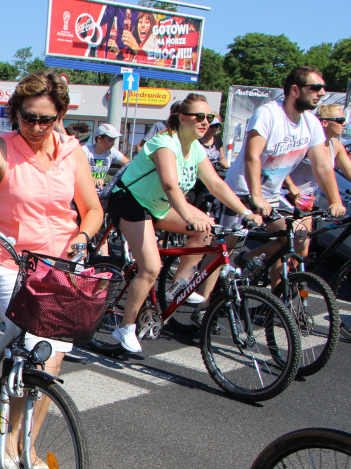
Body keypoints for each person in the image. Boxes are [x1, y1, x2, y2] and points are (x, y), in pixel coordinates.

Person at [0, 70, 102, 469]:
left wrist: (84, 235)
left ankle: (23, 441)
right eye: (26, 117)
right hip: (14, 262)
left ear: (60, 115)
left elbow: (93, 208)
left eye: (44, 119)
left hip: (64, 266)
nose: (33, 127)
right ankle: (8, 439)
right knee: (34, 348)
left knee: (51, 362)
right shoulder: (1, 149)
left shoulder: (72, 152)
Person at [107, 93, 262, 353]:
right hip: (131, 202)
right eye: (198, 117)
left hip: (157, 204)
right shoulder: (164, 143)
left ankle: (178, 287)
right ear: (181, 118)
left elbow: (215, 184)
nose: (205, 122)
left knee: (207, 231)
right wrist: (189, 217)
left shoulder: (196, 148)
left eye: (209, 117)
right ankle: (125, 327)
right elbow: (169, 185)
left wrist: (245, 211)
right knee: (151, 268)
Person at [222, 66, 346, 281]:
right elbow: (252, 156)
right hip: (241, 190)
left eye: (323, 88)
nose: (322, 93)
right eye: (315, 88)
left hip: (272, 196)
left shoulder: (311, 123)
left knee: (299, 237)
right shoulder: (269, 113)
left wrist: (336, 200)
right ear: (295, 90)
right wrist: (256, 197)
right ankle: (201, 300)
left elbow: (323, 166)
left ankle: (277, 302)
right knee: (226, 246)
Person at [284, 103, 351, 211]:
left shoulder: (337, 146)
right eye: (340, 120)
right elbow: (278, 166)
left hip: (306, 199)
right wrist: (290, 186)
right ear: (325, 122)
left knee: (304, 229)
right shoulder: (305, 143)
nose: (344, 124)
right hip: (285, 195)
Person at [83, 123, 129, 189]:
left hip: (99, 190)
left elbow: (129, 164)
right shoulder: (84, 151)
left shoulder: (112, 152)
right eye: (110, 140)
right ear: (99, 139)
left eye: (114, 140)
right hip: (81, 190)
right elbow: (76, 172)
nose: (113, 144)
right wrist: (93, 179)